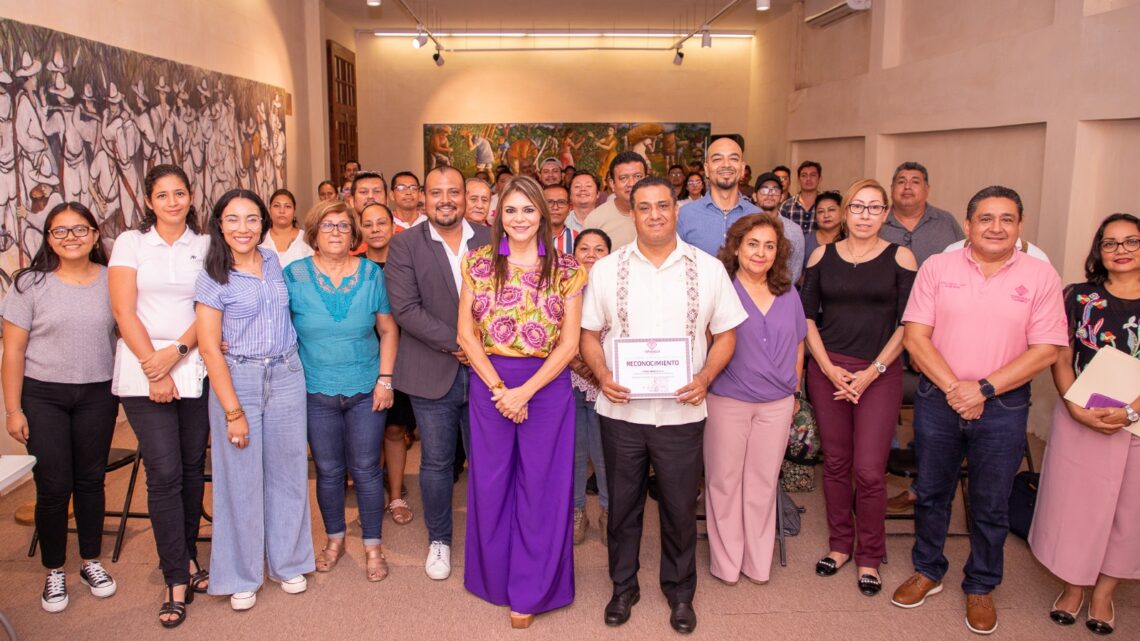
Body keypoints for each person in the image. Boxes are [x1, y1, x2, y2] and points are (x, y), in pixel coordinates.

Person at [891, 186, 1068, 635]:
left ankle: (982, 584)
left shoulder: (1041, 276)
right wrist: (956, 388)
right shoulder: (938, 267)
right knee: (931, 490)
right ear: (967, 225)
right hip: (939, 398)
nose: (996, 227)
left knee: (990, 502)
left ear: (1020, 226)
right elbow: (915, 336)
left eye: (1006, 218)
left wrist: (984, 389)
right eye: (985, 218)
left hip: (1004, 405)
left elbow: (1046, 349)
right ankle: (928, 569)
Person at [580, 176, 747, 634]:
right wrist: (604, 375)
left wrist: (706, 378)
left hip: (682, 413)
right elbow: (589, 334)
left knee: (677, 508)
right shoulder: (607, 269)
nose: (654, 214)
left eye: (662, 206)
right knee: (624, 507)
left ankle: (679, 592)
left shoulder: (708, 268)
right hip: (622, 414)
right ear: (630, 214)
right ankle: (623, 587)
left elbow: (727, 333)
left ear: (677, 210)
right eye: (644, 207)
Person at [457, 175, 586, 628]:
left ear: (543, 214)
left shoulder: (568, 269)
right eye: (510, 210)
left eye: (528, 210)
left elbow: (570, 345)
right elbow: (465, 336)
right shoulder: (477, 263)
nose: (519, 219)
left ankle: (532, 589)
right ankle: (494, 578)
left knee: (542, 489)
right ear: (497, 215)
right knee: (491, 484)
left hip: (546, 388)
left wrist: (524, 393)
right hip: (490, 382)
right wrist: (500, 390)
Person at [196, 189, 315, 611]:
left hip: (285, 373)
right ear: (219, 225)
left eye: (251, 219)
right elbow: (210, 348)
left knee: (288, 470)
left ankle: (288, 561)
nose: (242, 228)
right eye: (232, 219)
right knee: (239, 478)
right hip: (239, 378)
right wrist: (233, 412)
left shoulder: (273, 263)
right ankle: (241, 573)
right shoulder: (213, 273)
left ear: (263, 224)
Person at [800, 179, 917, 597]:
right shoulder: (820, 255)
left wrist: (872, 371)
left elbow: (909, 324)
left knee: (868, 471)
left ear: (885, 213)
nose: (865, 215)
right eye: (857, 207)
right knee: (835, 464)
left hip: (880, 373)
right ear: (845, 212)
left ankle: (870, 554)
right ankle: (839, 546)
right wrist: (829, 369)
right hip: (829, 370)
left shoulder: (900, 256)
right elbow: (807, 318)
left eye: (874, 208)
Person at [2, 202, 119, 614]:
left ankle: (91, 561)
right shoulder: (29, 284)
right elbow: (13, 351)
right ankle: (54, 569)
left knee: (91, 482)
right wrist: (13, 410)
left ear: (94, 235)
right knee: (52, 489)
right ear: (49, 238)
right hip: (43, 396)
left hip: (97, 394)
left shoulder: (112, 280)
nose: (71, 238)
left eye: (80, 230)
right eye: (60, 231)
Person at [108, 164, 210, 627]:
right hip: (141, 366)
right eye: (163, 195)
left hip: (192, 361)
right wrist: (155, 364)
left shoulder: (206, 245)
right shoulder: (131, 243)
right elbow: (123, 310)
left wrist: (179, 352)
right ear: (149, 201)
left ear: (191, 198)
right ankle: (174, 574)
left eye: (180, 193)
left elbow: (209, 307)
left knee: (191, 468)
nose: (172, 201)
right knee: (163, 471)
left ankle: (188, 557)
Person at [1029, 213, 1140, 636]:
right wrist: (1074, 404)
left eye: (1131, 241)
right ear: (1099, 251)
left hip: (1136, 420)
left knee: (1129, 511)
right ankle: (1074, 586)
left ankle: (1104, 593)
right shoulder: (1078, 297)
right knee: (1077, 507)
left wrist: (1132, 410)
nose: (1121, 251)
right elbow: (1060, 353)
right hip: (1081, 412)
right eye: (1111, 243)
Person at [384, 166, 491, 580]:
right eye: (436, 192)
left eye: (454, 192)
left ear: (466, 196)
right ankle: (440, 540)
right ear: (423, 198)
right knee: (437, 462)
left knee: (489, 459)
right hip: (434, 370)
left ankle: (489, 537)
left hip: (489, 371)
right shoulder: (405, 245)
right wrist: (461, 342)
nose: (445, 199)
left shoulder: (489, 238)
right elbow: (406, 310)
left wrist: (480, 347)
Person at [284, 199, 399, 582]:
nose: (336, 232)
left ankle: (372, 546)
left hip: (367, 388)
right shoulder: (294, 275)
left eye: (344, 226)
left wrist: (385, 379)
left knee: (367, 471)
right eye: (327, 226)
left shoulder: (370, 275)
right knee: (330, 472)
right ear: (314, 234)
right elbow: (274, 325)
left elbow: (387, 329)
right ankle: (334, 540)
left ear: (354, 234)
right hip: (315, 392)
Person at [705, 214, 805, 585]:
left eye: (769, 245)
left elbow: (798, 343)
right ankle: (727, 563)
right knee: (724, 482)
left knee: (762, 483)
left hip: (777, 404)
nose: (760, 253)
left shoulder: (788, 291)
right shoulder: (720, 288)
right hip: (728, 400)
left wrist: (795, 392)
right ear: (736, 246)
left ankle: (757, 561)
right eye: (753, 244)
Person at [360, 202, 417, 525]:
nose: (376, 229)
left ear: (392, 226)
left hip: (401, 356)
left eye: (382, 222)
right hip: (362, 356)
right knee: (367, 431)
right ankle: (372, 493)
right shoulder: (354, 266)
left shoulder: (405, 263)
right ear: (361, 230)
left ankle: (395, 494)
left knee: (395, 428)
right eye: (368, 224)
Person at [678, 141, 805, 284]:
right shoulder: (684, 215)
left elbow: (773, 273)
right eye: (717, 159)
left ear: (742, 168)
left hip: (748, 304)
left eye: (733, 158)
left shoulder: (759, 217)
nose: (726, 164)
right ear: (706, 169)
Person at [569, 229, 612, 545]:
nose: (591, 254)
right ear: (574, 254)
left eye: (599, 249)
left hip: (607, 384)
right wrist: (580, 367)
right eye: (584, 248)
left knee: (606, 452)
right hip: (567, 380)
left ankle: (611, 510)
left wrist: (599, 375)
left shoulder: (619, 289)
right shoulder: (564, 288)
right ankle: (576, 512)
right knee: (573, 451)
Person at [879, 162, 964, 267]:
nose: (907, 186)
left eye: (915, 182)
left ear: (927, 189)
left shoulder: (946, 221)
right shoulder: (877, 222)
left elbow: (965, 259)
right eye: (901, 182)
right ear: (891, 189)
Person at [586, 151, 646, 249]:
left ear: (647, 179)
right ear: (612, 184)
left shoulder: (660, 215)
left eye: (638, 177)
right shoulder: (595, 220)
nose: (631, 184)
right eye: (623, 178)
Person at [260, 189, 313, 269]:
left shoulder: (307, 238)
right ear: (270, 209)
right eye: (276, 206)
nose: (282, 211)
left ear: (294, 211)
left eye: (287, 206)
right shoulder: (260, 238)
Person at [802, 191, 845, 272]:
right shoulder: (804, 241)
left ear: (842, 212)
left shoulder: (851, 240)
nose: (826, 215)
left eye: (831, 210)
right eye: (820, 211)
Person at [779, 160, 822, 234]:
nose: (808, 179)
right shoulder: (787, 205)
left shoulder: (825, 205)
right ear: (798, 180)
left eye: (813, 175)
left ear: (820, 179)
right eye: (804, 175)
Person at [544, 182, 576, 254]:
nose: (555, 207)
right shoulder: (528, 236)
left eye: (561, 202)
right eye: (549, 202)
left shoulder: (577, 239)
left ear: (570, 208)